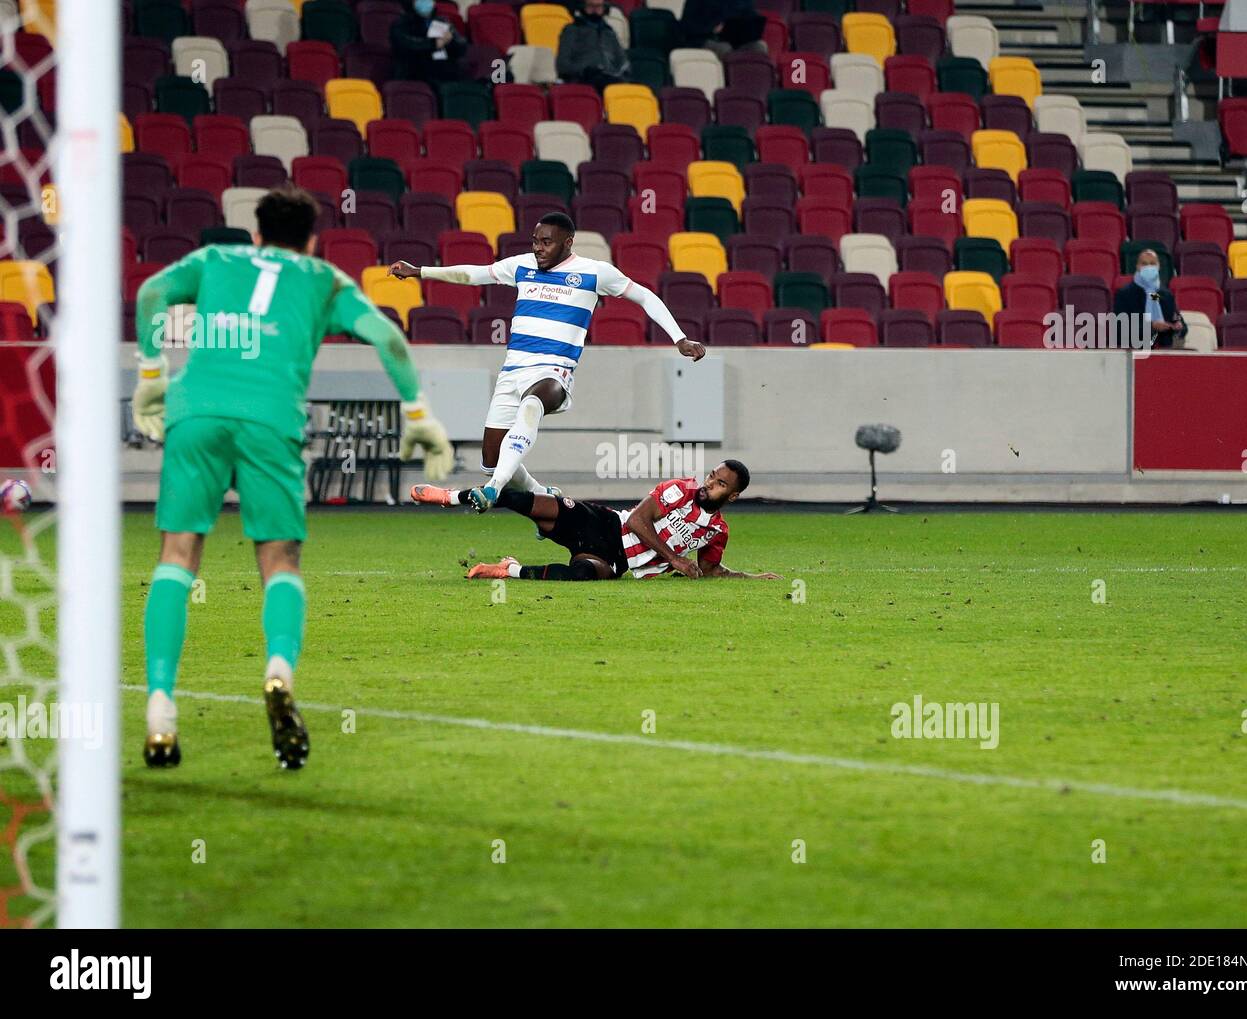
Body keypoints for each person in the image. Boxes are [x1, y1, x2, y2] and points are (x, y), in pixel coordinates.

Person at [130, 186, 454, 770]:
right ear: (311, 240)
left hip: (195, 413)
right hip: (270, 422)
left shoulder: (214, 259)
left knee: (177, 555)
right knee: (280, 561)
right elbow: (386, 336)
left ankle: (159, 709)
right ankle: (278, 672)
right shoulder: (323, 278)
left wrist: (152, 375)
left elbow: (153, 291)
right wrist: (417, 413)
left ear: (255, 234)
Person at [388, 212, 705, 514]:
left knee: (532, 405)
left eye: (547, 242)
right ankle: (541, 494)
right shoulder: (521, 266)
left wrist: (680, 338)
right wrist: (420, 271)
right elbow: (475, 274)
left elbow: (646, 297)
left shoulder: (596, 272)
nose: (538, 248)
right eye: (535, 241)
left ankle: (493, 489)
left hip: (554, 371)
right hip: (512, 371)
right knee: (492, 459)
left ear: (568, 242)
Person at [413, 461, 781, 581]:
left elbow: (710, 569)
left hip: (615, 561)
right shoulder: (680, 490)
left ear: (731, 497)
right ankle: (448, 497)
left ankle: (508, 569)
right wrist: (673, 558)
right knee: (522, 501)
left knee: (582, 576)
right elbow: (638, 521)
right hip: (605, 525)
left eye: (719, 485)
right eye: (711, 476)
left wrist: (748, 578)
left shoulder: (717, 530)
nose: (708, 485)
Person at [1113, 248, 1186, 349]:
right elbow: (1120, 328)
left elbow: (1177, 319)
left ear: (1158, 267)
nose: (1148, 267)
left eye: (1152, 263)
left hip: (1163, 351)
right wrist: (1151, 327)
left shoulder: (1164, 295)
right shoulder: (1125, 294)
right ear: (1137, 267)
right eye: (1144, 263)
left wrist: (1178, 326)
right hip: (1134, 350)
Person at [556, 0, 631, 90]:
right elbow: (562, 65)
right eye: (590, 6)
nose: (595, 10)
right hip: (583, 81)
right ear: (583, 7)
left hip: (610, 79)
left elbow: (622, 62)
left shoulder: (609, 32)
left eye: (599, 6)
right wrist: (585, 70)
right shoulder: (572, 30)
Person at [390, 0, 467, 87]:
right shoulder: (400, 25)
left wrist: (451, 41)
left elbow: (461, 46)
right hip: (414, 78)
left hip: (444, 77)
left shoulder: (441, 21)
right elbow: (409, 46)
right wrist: (434, 44)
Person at [679, 0, 767, 55]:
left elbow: (751, 17)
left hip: (735, 39)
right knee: (725, 48)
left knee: (759, 46)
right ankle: (733, 82)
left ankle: (758, 83)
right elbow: (687, 25)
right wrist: (713, 29)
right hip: (704, 39)